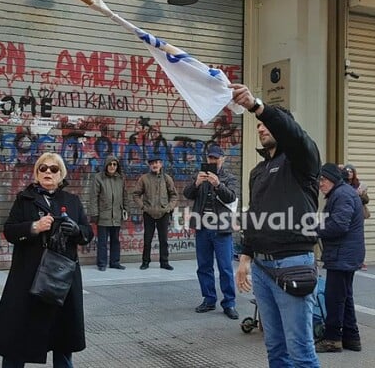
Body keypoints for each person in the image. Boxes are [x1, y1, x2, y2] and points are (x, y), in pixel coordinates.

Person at [231, 84, 321, 368]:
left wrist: (258, 106)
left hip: (293, 262)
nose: (260, 128)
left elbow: (293, 135)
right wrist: (245, 258)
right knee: (275, 348)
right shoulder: (257, 172)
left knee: (300, 350)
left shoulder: (301, 161)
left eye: (266, 123)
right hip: (262, 269)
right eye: (258, 125)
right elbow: (253, 217)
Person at [0, 152, 94, 367]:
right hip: (28, 277)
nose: (48, 172)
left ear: (61, 174)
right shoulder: (24, 199)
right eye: (43, 168)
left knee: (62, 340)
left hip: (61, 279)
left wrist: (76, 230)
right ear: (36, 173)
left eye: (53, 169)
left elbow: (87, 233)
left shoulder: (71, 201)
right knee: (16, 338)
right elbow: (9, 231)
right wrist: (33, 227)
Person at [183, 144, 239, 319]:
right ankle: (208, 299)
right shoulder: (199, 175)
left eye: (216, 158)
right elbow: (187, 194)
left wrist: (218, 184)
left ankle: (229, 303)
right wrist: (196, 183)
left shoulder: (229, 178)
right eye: (210, 158)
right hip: (202, 228)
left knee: (225, 267)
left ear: (222, 159)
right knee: (204, 266)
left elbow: (231, 197)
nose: (213, 161)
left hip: (221, 228)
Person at [315, 163, 365, 353]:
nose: (320, 184)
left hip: (342, 255)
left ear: (333, 180)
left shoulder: (342, 194)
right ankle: (351, 337)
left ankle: (332, 339)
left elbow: (338, 226)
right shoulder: (343, 192)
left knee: (334, 297)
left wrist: (315, 229)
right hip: (345, 254)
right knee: (345, 296)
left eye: (323, 180)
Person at [133, 156, 179, 270]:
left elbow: (174, 195)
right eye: (152, 163)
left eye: (157, 163)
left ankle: (164, 262)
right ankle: (145, 262)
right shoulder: (144, 178)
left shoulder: (167, 178)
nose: (155, 165)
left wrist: (169, 207)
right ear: (149, 165)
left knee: (163, 239)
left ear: (161, 164)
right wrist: (143, 207)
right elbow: (136, 194)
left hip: (163, 214)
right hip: (148, 213)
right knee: (147, 239)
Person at [88, 155, 128, 271]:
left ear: (117, 166)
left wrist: (126, 209)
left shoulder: (121, 178)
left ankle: (115, 262)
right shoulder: (98, 178)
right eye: (110, 164)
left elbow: (125, 196)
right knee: (102, 242)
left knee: (115, 240)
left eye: (114, 164)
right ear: (106, 165)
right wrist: (94, 214)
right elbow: (93, 197)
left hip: (116, 215)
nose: (112, 166)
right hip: (103, 215)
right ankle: (101, 263)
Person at [341, 164, 370, 270]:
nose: (349, 173)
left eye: (351, 171)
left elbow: (366, 200)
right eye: (347, 171)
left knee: (359, 237)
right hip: (346, 213)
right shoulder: (341, 184)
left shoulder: (358, 185)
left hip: (358, 214)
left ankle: (361, 260)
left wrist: (359, 194)